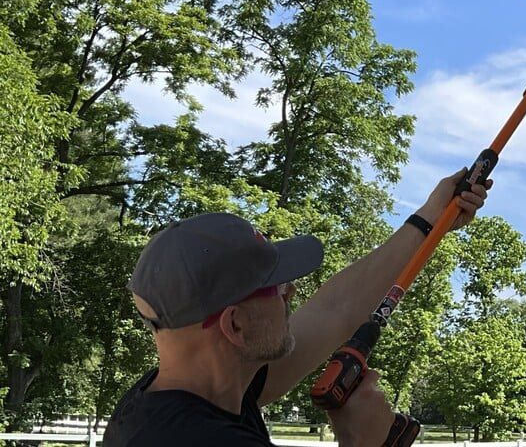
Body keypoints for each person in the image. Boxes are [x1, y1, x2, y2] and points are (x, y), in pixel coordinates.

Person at [103, 169, 491, 446]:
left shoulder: (205, 391)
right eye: (275, 287)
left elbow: (334, 308)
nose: (291, 292)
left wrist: (430, 219)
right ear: (234, 326)